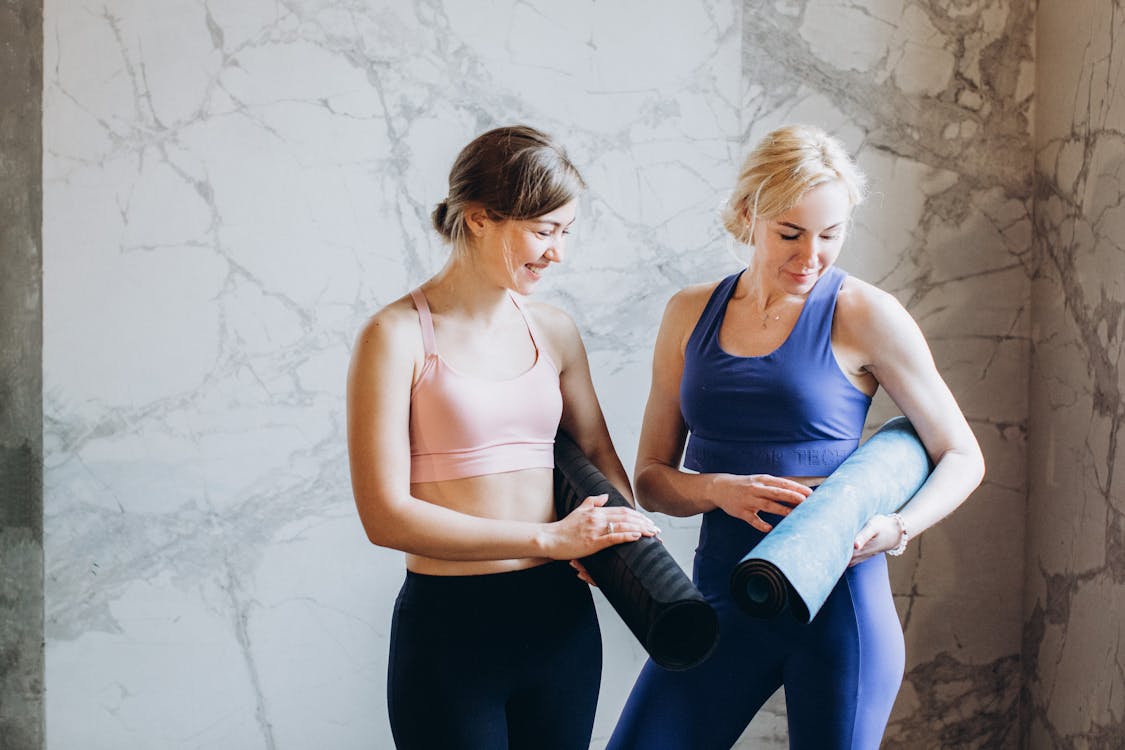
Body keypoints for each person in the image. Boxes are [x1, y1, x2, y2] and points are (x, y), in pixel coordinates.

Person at [606, 124, 986, 750]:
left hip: (840, 605)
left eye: (830, 235)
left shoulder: (865, 312)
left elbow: (962, 454)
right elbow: (651, 478)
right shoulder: (688, 313)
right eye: (790, 233)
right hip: (721, 596)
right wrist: (719, 491)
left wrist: (899, 529)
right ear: (749, 215)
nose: (811, 255)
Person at [346, 125, 659, 749]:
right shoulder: (395, 336)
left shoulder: (555, 330)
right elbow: (384, 516)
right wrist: (550, 537)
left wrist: (619, 544)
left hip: (560, 623)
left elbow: (597, 454)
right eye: (544, 231)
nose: (558, 253)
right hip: (449, 631)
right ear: (480, 218)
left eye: (566, 232)